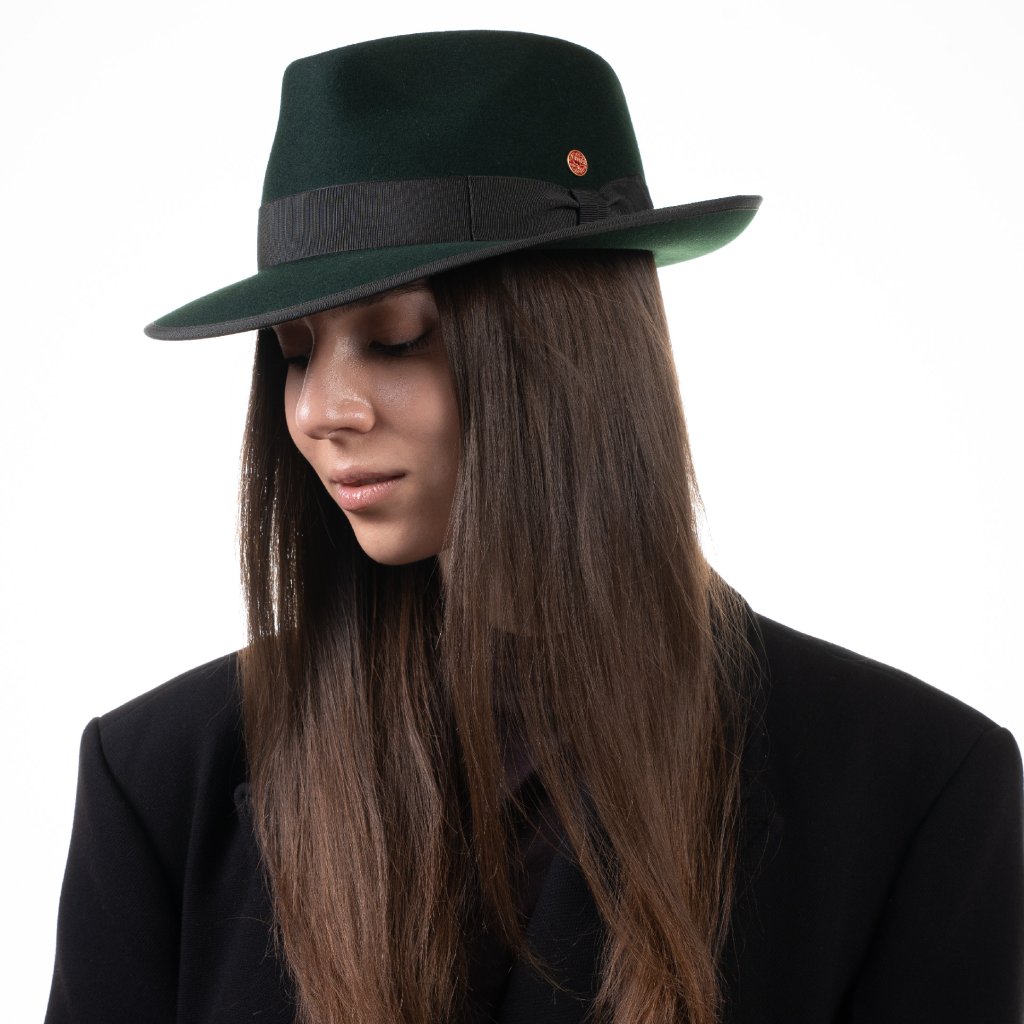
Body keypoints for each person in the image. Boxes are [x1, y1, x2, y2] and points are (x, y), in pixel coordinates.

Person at [43, 29, 1023, 1024]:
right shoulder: (160, 779)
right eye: (295, 353)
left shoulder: (912, 789)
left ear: (567, 348)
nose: (320, 410)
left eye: (396, 339)